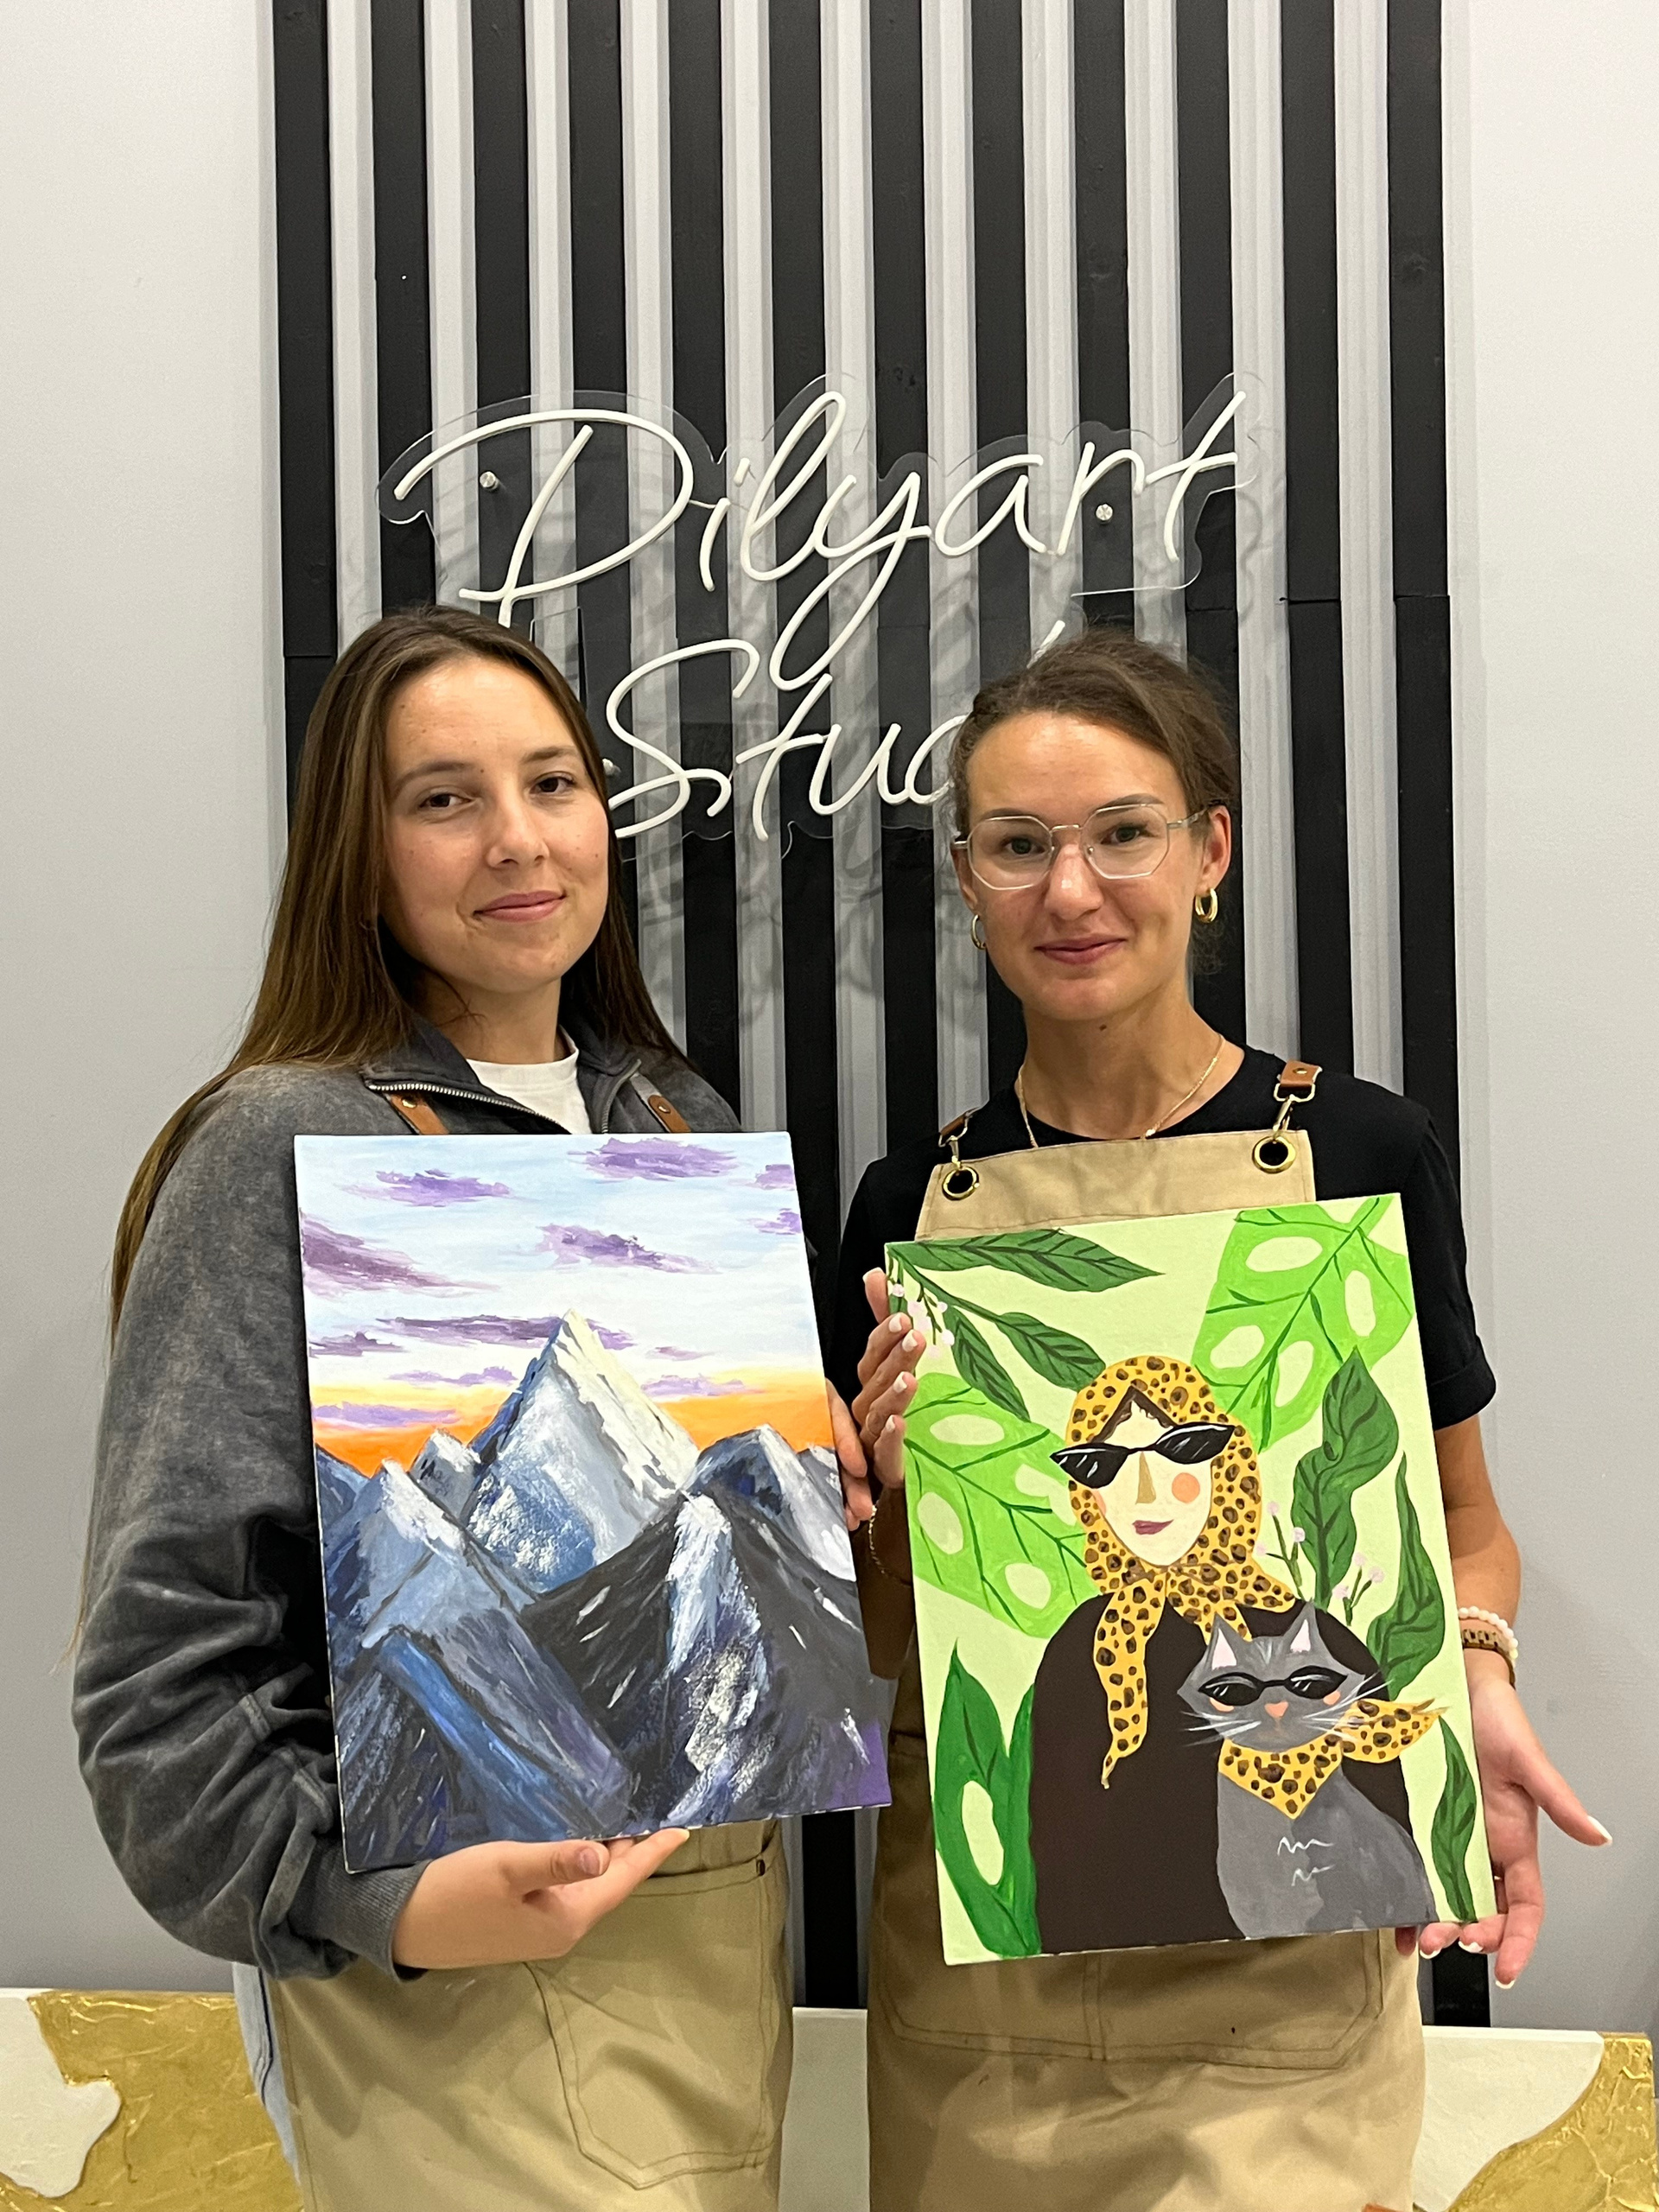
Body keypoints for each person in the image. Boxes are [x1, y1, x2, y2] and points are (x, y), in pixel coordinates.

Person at [828, 625, 1607, 2212]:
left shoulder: (1359, 1154)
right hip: (985, 2012)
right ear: (967, 878)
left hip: (1288, 1993)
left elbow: (1464, 1526)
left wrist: (1472, 1668)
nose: (1072, 889)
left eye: (1123, 832)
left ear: (1211, 854)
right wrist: (883, 1494)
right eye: (1018, 845)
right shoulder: (906, 1207)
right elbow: (873, 1639)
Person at [75, 607, 796, 2212]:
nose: (519, 840)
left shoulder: (674, 1121)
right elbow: (157, 1676)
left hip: (712, 1949)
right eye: (444, 800)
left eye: (552, 783)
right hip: (453, 2009)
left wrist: (825, 1507)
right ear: (361, 853)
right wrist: (376, 1898)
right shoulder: (280, 1144)